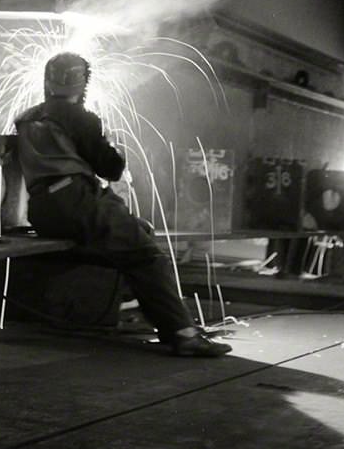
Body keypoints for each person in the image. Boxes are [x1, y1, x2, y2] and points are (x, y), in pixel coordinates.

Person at [14, 52, 231, 357]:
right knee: (147, 254)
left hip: (43, 210)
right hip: (77, 202)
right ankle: (183, 335)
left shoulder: (25, 117)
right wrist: (107, 139)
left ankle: (151, 310)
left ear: (47, 80)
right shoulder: (80, 117)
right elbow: (111, 168)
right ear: (83, 83)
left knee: (138, 231)